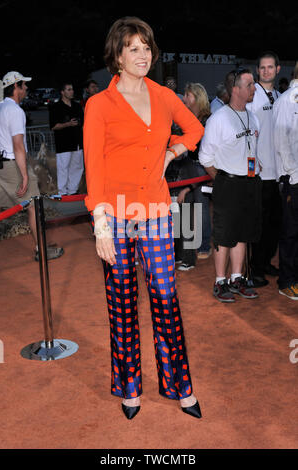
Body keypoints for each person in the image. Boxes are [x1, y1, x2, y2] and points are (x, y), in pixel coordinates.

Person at [83, 16, 204, 419]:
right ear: (116, 56)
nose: (142, 54)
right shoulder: (99, 104)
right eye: (133, 48)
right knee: (122, 304)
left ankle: (179, 385)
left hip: (154, 212)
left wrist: (171, 153)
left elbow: (194, 129)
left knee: (166, 299)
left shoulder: (162, 95)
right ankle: (129, 388)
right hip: (115, 216)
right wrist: (100, 223)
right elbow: (94, 166)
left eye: (146, 47)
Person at [199, 68, 262, 303]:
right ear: (235, 89)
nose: (254, 88)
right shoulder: (218, 119)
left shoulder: (252, 116)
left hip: (249, 183)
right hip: (228, 183)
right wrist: (223, 179)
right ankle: (220, 281)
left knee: (243, 233)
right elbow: (205, 158)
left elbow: (251, 149)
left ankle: (238, 278)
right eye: (249, 85)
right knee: (225, 235)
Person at [0, 71, 64, 261]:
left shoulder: (1, 107)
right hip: (14, 166)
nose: (27, 88)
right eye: (24, 85)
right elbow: (18, 145)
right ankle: (41, 250)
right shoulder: (15, 111)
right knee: (34, 206)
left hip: (2, 165)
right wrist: (25, 175)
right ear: (16, 87)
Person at [246, 51, 282, 287]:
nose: (266, 71)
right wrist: (251, 171)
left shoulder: (280, 96)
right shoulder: (252, 95)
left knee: (275, 225)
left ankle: (266, 261)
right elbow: (247, 136)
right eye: (262, 68)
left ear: (278, 70)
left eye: (270, 67)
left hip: (278, 174)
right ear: (258, 70)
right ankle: (254, 268)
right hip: (258, 174)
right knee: (257, 226)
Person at [175, 82, 212, 271]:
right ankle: (188, 247)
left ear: (197, 97)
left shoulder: (207, 119)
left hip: (203, 166)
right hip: (189, 165)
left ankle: (204, 244)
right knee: (190, 206)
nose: (184, 99)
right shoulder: (188, 117)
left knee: (201, 206)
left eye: (188, 95)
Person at [273, 62, 298, 300]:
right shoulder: (288, 100)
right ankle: (287, 281)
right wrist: (293, 173)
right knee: (290, 232)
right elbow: (281, 142)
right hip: (293, 179)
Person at [49, 82, 84, 195]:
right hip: (63, 143)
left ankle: (72, 190)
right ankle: (62, 192)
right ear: (62, 92)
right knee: (63, 168)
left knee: (77, 167)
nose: (71, 91)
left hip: (77, 142)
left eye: (72, 89)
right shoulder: (55, 107)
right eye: (69, 89)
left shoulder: (77, 106)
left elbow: (83, 123)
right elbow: (53, 126)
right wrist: (68, 124)